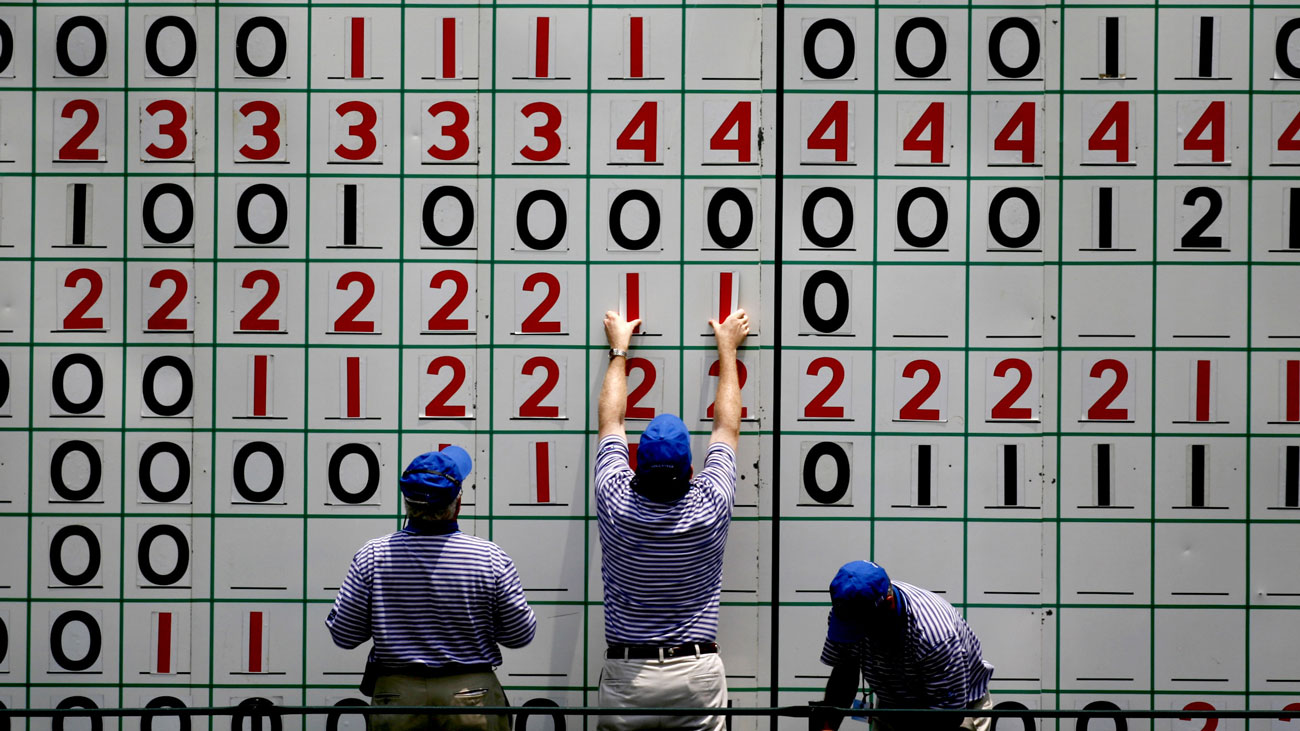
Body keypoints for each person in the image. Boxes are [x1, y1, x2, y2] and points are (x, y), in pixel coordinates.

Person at [592, 308, 751, 730]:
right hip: (695, 673)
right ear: (691, 472)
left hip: (628, 676)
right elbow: (726, 428)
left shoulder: (614, 496)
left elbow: (612, 420)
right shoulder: (710, 501)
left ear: (635, 464)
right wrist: (727, 349)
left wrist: (619, 348)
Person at [326, 446, 537, 731]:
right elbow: (520, 635)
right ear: (457, 503)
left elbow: (345, 635)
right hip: (472, 697)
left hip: (397, 696)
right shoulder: (490, 557)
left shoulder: (373, 555)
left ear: (407, 503)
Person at [815, 561, 995, 731]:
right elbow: (844, 677)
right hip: (894, 704)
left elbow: (946, 717)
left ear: (889, 605)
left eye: (863, 628)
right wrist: (827, 727)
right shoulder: (847, 613)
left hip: (956, 709)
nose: (857, 635)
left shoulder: (934, 636)